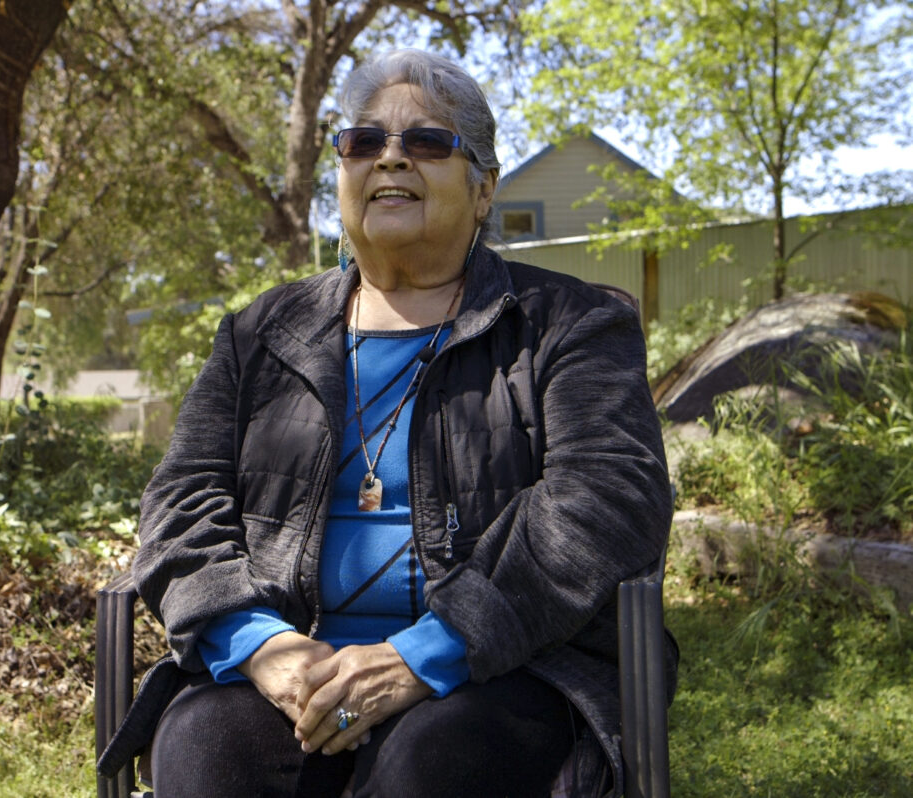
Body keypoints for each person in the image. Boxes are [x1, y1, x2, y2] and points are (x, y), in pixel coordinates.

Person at [125, 48, 676, 797]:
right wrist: (263, 647)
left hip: (502, 669)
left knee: (429, 765)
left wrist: (425, 653)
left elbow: (608, 500)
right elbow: (180, 505)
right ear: (343, 177)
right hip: (292, 670)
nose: (391, 159)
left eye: (426, 142)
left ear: (483, 190)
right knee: (205, 751)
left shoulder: (571, 325)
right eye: (362, 142)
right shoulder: (258, 335)